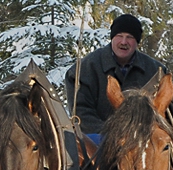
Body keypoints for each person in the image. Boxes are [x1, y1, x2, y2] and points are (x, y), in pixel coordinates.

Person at [65, 14, 167, 142]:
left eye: (129, 37)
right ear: (112, 38)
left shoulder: (155, 71)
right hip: (97, 138)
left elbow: (163, 111)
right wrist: (111, 135)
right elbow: (81, 111)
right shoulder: (85, 68)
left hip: (142, 142)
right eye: (119, 36)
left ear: (137, 42)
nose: (123, 42)